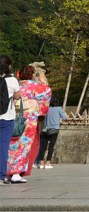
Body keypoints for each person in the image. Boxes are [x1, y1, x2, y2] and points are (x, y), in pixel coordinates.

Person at [7, 65, 51, 183]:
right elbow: (46, 93)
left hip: (13, 116)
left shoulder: (17, 85)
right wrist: (43, 81)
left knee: (12, 145)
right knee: (24, 145)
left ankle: (7, 171)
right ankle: (16, 172)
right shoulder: (34, 86)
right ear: (32, 75)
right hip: (29, 119)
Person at [0, 55, 20, 185]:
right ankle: (1, 176)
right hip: (6, 117)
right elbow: (17, 96)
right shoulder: (12, 80)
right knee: (2, 147)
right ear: (9, 67)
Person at [37, 95, 67, 169]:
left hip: (45, 130)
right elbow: (65, 118)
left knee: (43, 147)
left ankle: (41, 163)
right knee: (51, 147)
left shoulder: (47, 109)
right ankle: (48, 163)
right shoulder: (59, 109)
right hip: (54, 130)